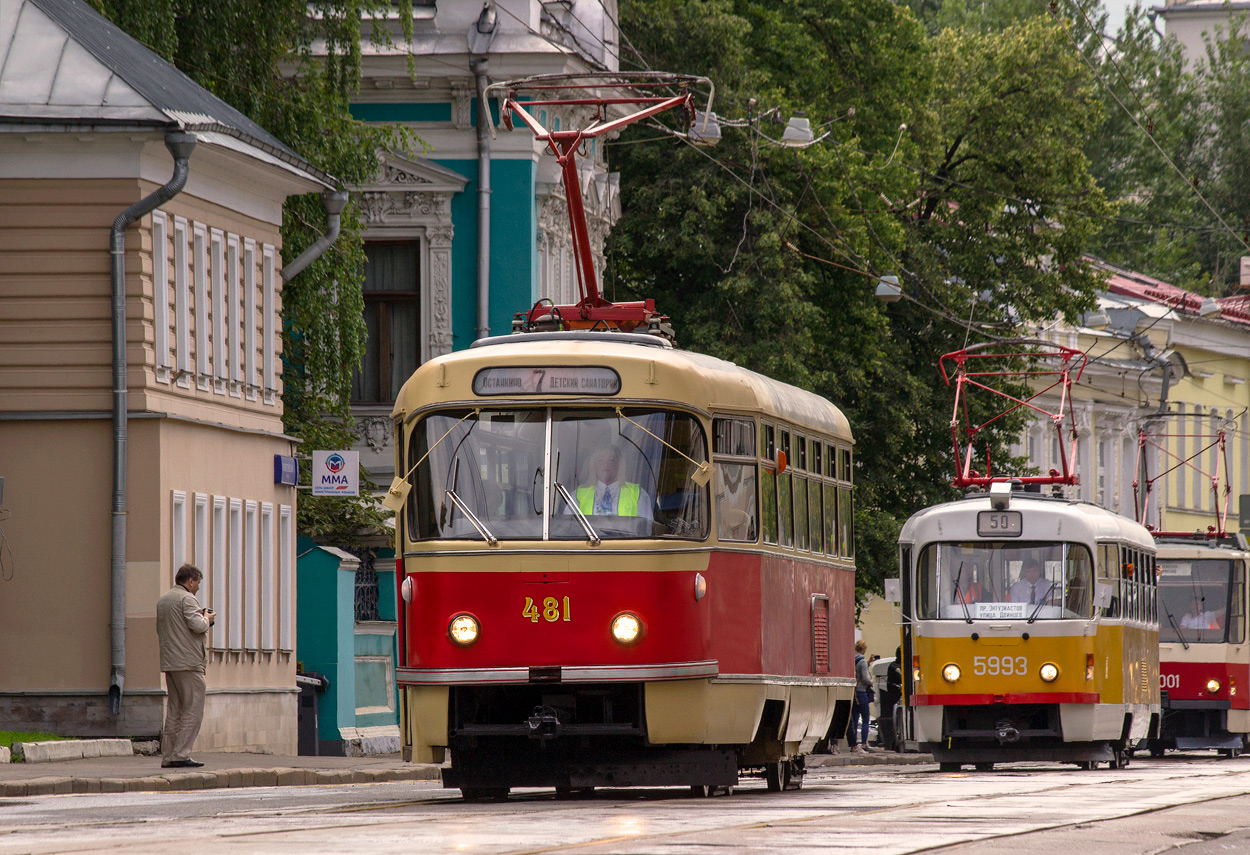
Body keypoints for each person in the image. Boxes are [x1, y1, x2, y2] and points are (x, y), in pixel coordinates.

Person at [156, 563, 214, 768]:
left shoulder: (164, 599)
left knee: (174, 711)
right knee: (193, 709)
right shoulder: (187, 598)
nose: (197, 587)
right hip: (188, 663)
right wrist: (206, 618)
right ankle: (181, 754)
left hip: (170, 661)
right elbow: (198, 626)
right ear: (190, 581)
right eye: (197, 583)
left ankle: (169, 756)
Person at [575, 444, 653, 519]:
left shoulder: (638, 494)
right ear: (593, 465)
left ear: (620, 464)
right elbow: (569, 525)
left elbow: (646, 525)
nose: (606, 464)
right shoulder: (578, 495)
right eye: (600, 460)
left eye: (611, 460)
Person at [848, 640, 873, 754]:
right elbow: (864, 678)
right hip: (862, 692)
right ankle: (863, 743)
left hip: (853, 692)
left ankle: (854, 743)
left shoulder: (852, 659)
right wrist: (871, 682)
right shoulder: (862, 661)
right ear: (864, 649)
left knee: (854, 719)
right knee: (865, 719)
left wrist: (868, 662)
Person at [879, 647, 904, 752]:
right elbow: (899, 674)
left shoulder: (898, 665)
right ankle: (893, 743)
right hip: (894, 697)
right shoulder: (895, 666)